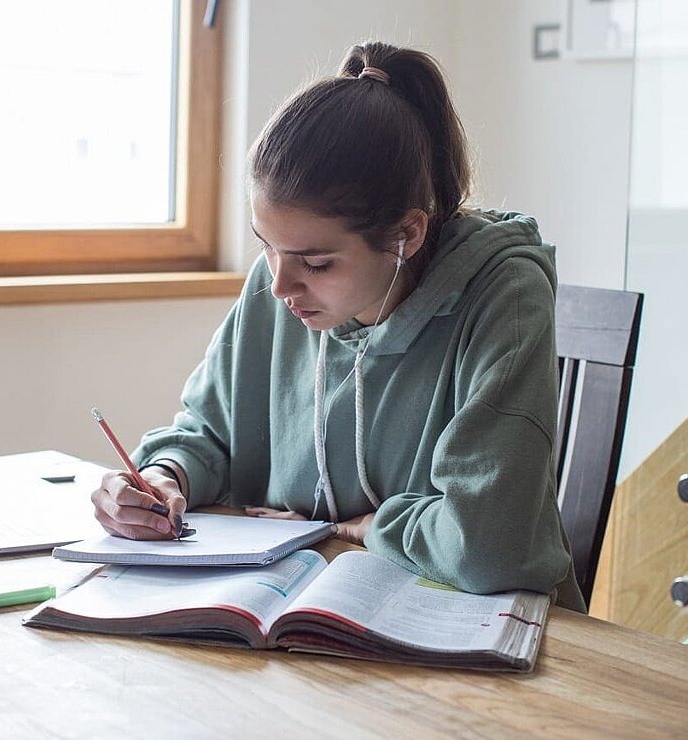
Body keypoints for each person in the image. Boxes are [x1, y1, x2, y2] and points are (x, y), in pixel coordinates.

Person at [91, 41, 584, 611]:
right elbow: (208, 434)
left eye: (317, 263)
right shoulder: (279, 282)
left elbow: (491, 545)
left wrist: (376, 526)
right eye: (266, 248)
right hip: (302, 612)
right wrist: (160, 479)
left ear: (408, 235)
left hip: (471, 636)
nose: (279, 286)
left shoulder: (503, 294)